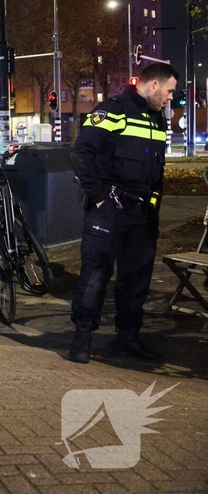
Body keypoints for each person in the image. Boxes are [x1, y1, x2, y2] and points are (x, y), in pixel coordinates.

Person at [68, 62, 179, 364]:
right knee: (96, 272)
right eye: (169, 91)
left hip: (141, 213)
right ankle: (82, 336)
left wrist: (154, 202)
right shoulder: (112, 110)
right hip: (109, 210)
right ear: (153, 85)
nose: (171, 97)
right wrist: (101, 197)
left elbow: (157, 169)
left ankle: (127, 339)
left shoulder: (158, 120)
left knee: (136, 278)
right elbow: (81, 153)